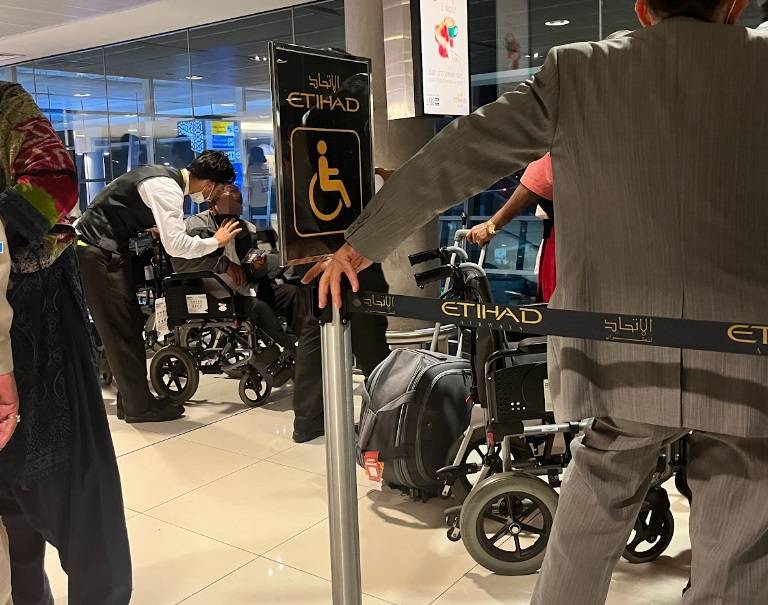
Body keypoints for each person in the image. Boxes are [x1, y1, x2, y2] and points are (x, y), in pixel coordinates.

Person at [308, 1, 768, 602]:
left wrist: (363, 242)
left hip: (617, 344)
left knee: (599, 486)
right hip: (745, 352)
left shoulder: (579, 71)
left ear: (641, 8)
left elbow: (464, 149)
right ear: (734, 4)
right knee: (741, 507)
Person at [0, 81, 131, 604]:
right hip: (34, 329)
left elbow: (53, 182)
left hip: (34, 327)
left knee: (46, 487)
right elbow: (55, 182)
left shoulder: (7, 106)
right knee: (67, 491)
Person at [76, 151, 242, 423]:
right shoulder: (168, 189)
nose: (217, 195)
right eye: (221, 188)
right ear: (209, 182)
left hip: (102, 251)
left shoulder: (162, 177)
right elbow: (175, 245)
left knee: (128, 326)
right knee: (121, 330)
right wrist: (216, 241)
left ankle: (133, 401)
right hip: (97, 254)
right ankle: (138, 408)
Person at [173, 184, 301, 353]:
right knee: (258, 307)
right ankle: (292, 355)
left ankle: (308, 344)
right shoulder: (193, 227)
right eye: (226, 209)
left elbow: (254, 272)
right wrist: (223, 265)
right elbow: (180, 264)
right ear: (212, 207)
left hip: (246, 289)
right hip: (212, 295)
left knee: (292, 294)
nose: (232, 216)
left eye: (236, 210)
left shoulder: (246, 229)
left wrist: (258, 267)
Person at [468, 153, 557, 303]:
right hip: (566, 233)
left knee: (558, 306)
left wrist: (491, 225)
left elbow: (536, 183)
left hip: (563, 239)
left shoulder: (559, 147)